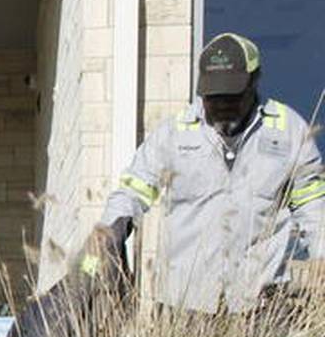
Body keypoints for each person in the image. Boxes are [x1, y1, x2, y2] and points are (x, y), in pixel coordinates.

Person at [95, 33, 325, 313]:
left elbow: (313, 204)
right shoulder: (174, 134)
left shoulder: (288, 131)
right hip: (184, 308)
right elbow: (132, 190)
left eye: (232, 94)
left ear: (254, 81)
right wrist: (110, 231)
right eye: (213, 96)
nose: (222, 104)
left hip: (261, 309)